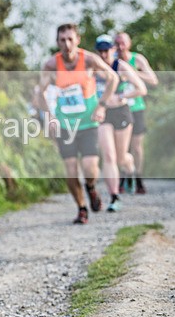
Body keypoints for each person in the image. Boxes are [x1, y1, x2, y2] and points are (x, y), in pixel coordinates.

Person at [36, 24, 118, 224]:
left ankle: (91, 187)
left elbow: (113, 78)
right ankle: (82, 208)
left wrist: (101, 106)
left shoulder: (89, 60)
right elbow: (40, 93)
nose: (67, 44)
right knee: (71, 171)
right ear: (57, 42)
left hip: (88, 122)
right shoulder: (51, 65)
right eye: (62, 40)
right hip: (65, 125)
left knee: (90, 167)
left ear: (77, 40)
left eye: (70, 39)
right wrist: (50, 116)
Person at [93, 34, 147, 212]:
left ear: (113, 50)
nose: (103, 55)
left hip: (121, 112)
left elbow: (141, 89)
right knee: (108, 156)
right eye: (100, 51)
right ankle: (114, 197)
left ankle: (130, 170)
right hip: (103, 114)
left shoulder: (121, 66)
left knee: (121, 157)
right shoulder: (93, 68)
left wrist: (122, 96)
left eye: (106, 51)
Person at [113, 32, 159, 194]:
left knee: (136, 146)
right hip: (118, 108)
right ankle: (122, 179)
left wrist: (131, 72)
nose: (120, 47)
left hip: (136, 108)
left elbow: (153, 80)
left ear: (129, 43)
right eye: (117, 43)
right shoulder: (112, 61)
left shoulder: (137, 59)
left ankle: (138, 179)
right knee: (120, 148)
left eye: (123, 43)